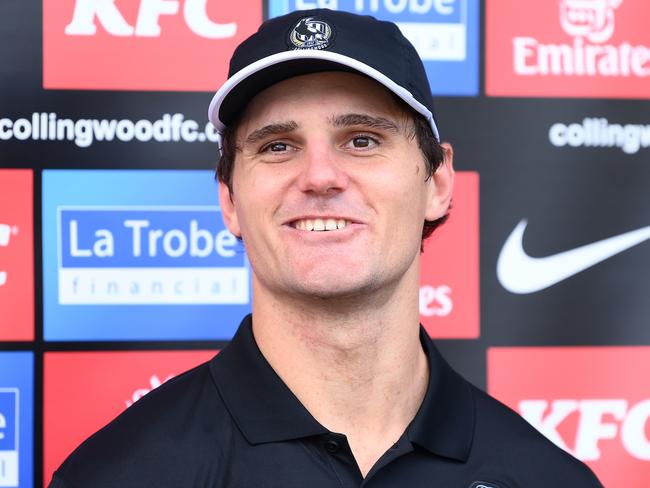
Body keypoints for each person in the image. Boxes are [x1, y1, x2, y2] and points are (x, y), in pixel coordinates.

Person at [50, 9, 603, 487]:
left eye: (362, 140)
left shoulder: (548, 479)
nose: (319, 176)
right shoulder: (118, 476)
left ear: (437, 183)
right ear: (230, 201)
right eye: (278, 145)